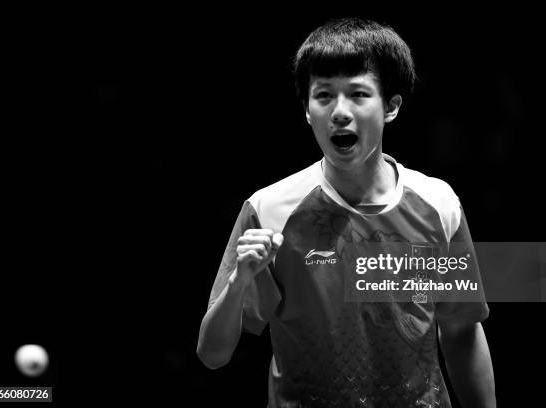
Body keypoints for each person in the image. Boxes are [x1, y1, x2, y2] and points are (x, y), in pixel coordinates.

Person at [197, 17, 496, 408]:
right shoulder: (268, 209)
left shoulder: (439, 204)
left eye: (357, 94)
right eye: (323, 96)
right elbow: (212, 355)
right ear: (307, 110)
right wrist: (239, 282)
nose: (339, 111)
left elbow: (460, 332)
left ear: (390, 106)